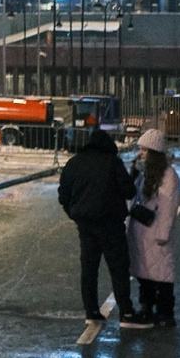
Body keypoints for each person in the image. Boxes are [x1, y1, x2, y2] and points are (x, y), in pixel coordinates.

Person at [58, 127, 142, 330]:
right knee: (118, 268)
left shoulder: (74, 163)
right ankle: (126, 312)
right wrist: (133, 176)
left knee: (89, 268)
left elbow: (63, 194)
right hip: (111, 223)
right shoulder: (112, 162)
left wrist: (74, 214)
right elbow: (129, 191)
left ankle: (91, 311)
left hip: (86, 224)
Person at [128, 127, 180, 328]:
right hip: (140, 231)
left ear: (154, 152)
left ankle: (165, 312)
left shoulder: (168, 175)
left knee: (162, 274)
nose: (140, 153)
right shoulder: (143, 173)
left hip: (155, 231)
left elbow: (168, 207)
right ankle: (147, 307)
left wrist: (163, 234)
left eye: (144, 150)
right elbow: (132, 197)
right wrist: (133, 174)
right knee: (144, 273)